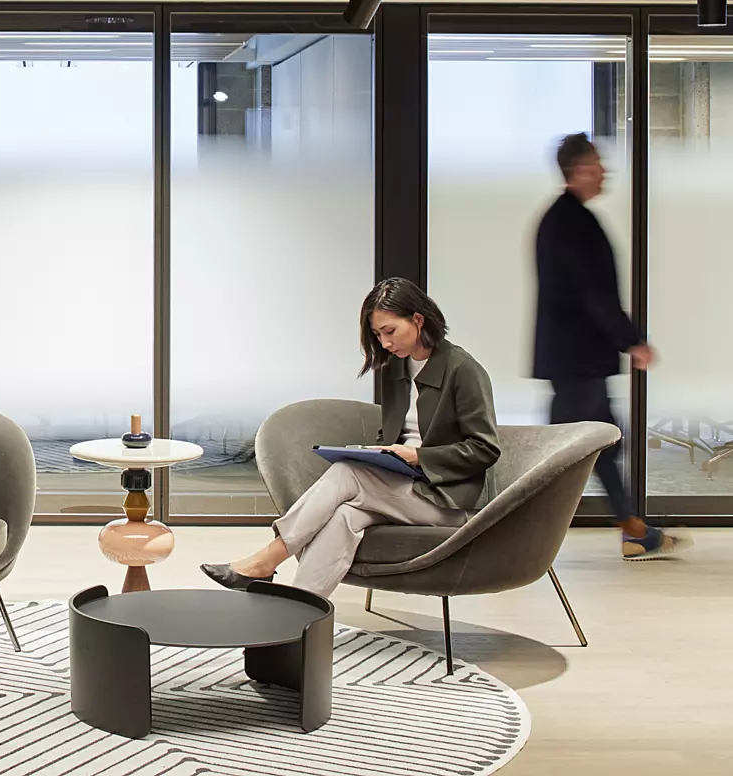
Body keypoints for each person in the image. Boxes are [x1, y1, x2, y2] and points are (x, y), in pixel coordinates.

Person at [201, 278, 500, 597]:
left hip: (449, 500)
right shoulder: (398, 369)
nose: (384, 343)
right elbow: (397, 432)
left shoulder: (462, 369)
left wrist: (417, 457)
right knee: (346, 515)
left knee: (347, 473)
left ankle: (268, 558)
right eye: (377, 334)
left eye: (389, 331)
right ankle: (299, 614)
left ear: (417, 319)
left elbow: (484, 448)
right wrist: (376, 452)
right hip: (404, 488)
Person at [534, 133, 689, 561]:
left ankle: (633, 529)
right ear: (581, 169)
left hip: (577, 358)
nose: (605, 170)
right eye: (598, 162)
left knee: (597, 444)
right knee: (562, 451)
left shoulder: (566, 218)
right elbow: (593, 293)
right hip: (577, 357)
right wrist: (632, 341)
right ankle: (518, 525)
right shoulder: (571, 222)